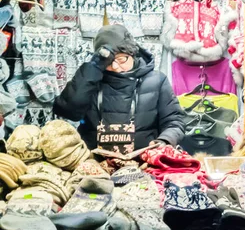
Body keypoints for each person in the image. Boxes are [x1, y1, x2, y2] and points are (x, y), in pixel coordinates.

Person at [54, 24, 185, 154]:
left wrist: (164, 141)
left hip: (144, 162)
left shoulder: (156, 81)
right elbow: (68, 111)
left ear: (132, 53)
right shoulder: (91, 80)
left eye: (121, 59)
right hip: (95, 163)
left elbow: (174, 121)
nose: (116, 67)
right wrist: (93, 68)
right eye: (109, 62)